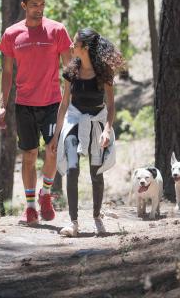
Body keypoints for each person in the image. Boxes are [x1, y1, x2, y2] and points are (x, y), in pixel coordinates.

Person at [0, 0, 72, 225]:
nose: (39, 9)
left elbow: (70, 69)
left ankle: (46, 195)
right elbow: (7, 72)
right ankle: (30, 207)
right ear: (24, 5)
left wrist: (72, 101)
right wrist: (2, 105)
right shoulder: (12, 34)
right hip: (24, 104)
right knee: (28, 155)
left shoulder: (57, 30)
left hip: (52, 103)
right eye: (34, 4)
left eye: (42, 4)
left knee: (52, 151)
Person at [50, 28, 125, 237]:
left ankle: (97, 216)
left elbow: (110, 105)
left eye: (75, 43)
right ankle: (73, 223)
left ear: (85, 48)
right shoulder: (71, 71)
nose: (71, 47)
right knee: (72, 168)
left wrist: (107, 130)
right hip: (74, 120)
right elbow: (64, 105)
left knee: (96, 172)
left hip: (98, 122)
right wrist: (56, 136)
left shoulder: (104, 72)